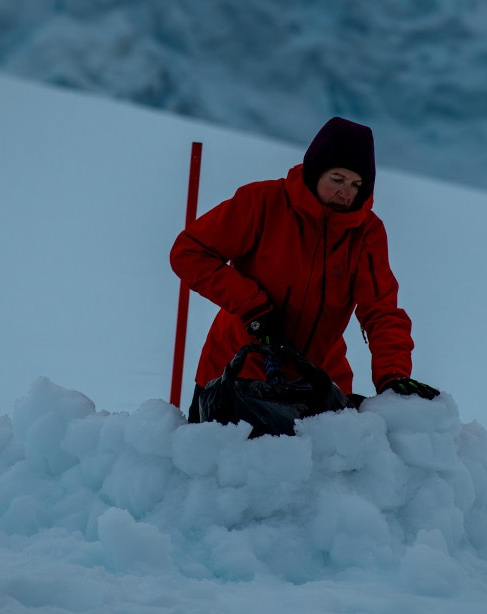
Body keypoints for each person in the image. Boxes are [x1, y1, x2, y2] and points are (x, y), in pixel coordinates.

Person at [170, 116, 439, 422]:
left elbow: (381, 311)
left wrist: (393, 374)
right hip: (233, 379)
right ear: (314, 171)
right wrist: (252, 307)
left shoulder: (367, 233)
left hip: (318, 387)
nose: (346, 193)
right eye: (337, 179)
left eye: (356, 185)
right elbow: (188, 252)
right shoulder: (262, 203)